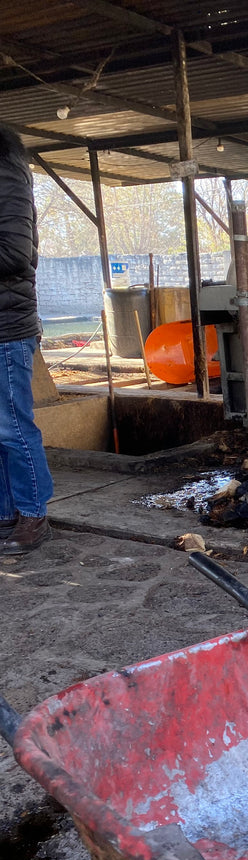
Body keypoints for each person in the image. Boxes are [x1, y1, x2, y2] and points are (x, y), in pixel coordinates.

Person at [0, 123, 53, 555]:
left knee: (13, 428)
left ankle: (34, 514)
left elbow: (15, 254)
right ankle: (5, 513)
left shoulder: (7, 178)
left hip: (5, 328)